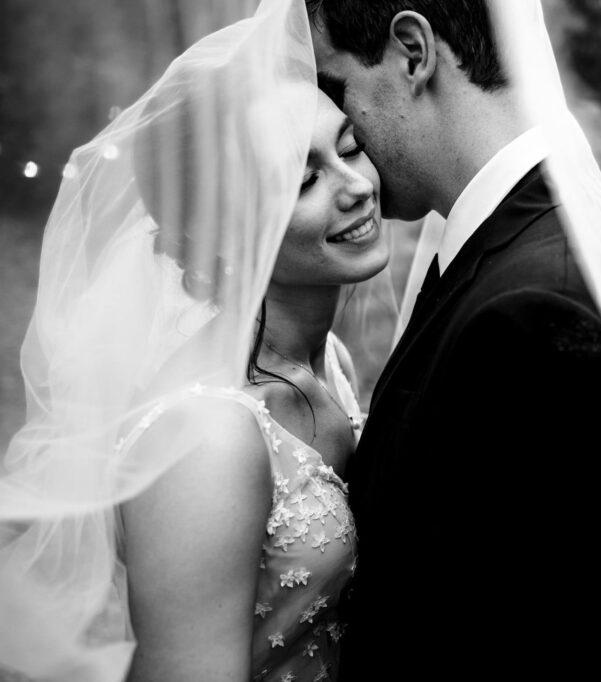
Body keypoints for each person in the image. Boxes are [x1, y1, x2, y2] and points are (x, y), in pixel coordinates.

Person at [306, 1, 601, 680]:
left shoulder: (533, 312)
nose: (340, 121)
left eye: (336, 85)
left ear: (413, 52)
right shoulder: (508, 255)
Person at [0, 2, 396, 680]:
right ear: (222, 238)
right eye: (303, 180)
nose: (356, 186)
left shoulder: (325, 359)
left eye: (350, 147)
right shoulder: (204, 439)